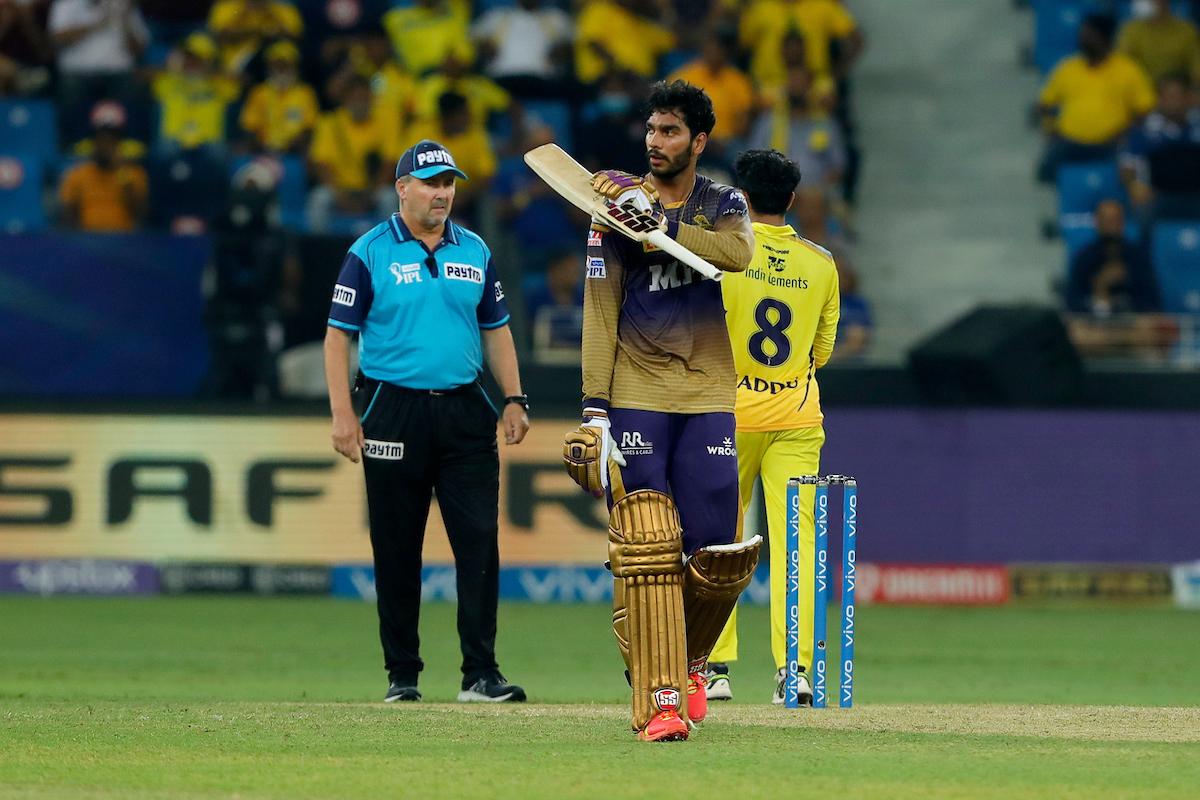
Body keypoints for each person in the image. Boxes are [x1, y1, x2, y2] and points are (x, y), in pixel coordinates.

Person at [563, 79, 760, 742]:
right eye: (652, 129)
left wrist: (666, 227)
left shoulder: (722, 200)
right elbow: (600, 309)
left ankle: (692, 657)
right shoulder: (614, 213)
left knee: (719, 554)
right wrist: (595, 409)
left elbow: (737, 254)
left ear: (698, 141)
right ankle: (661, 695)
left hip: (707, 393)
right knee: (647, 545)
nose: (655, 141)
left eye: (671, 131)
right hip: (638, 392)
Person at [324, 138, 530, 704]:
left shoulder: (476, 250)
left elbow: (497, 329)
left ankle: (480, 674)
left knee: (479, 543)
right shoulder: (368, 252)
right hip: (392, 409)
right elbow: (338, 335)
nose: (442, 194)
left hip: (465, 409)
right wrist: (344, 414)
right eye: (431, 183)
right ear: (402, 188)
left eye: (449, 183)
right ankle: (402, 675)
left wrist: (515, 398)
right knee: (396, 547)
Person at [703, 149, 839, 706]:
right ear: (790, 199)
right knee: (797, 546)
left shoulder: (722, 255)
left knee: (718, 539)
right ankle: (797, 671)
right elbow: (822, 352)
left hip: (725, 416)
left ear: (741, 196)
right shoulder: (820, 263)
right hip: (796, 418)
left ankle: (711, 668)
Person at [1037, 13, 1156, 183]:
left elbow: (1145, 108)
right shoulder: (1068, 68)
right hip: (1069, 142)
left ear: (1105, 38)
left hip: (1111, 144)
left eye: (1089, 36)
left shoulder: (1128, 70)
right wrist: (1050, 128)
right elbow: (1044, 104)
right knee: (1046, 173)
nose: (1083, 40)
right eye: (1083, 35)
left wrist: (1128, 133)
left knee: (1126, 171)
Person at [1120, 74, 1200, 223]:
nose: (1173, 101)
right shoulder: (1144, 130)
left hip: (1196, 194)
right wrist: (1134, 185)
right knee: (1143, 210)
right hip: (1159, 197)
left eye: (1177, 96)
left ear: (1188, 98)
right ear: (1159, 99)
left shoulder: (1197, 125)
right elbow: (1127, 167)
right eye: (1168, 96)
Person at [58, 100, 148, 232]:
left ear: (119, 142)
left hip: (124, 241)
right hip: (87, 241)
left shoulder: (133, 174)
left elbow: (140, 214)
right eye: (100, 139)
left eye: (111, 140)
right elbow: (67, 217)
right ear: (93, 141)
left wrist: (121, 172)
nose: (105, 145)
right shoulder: (77, 175)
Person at [1117, 0, 1200, 85]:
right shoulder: (1131, 31)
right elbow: (1123, 66)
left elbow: (1196, 70)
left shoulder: (1187, 31)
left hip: (1176, 91)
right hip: (1142, 90)